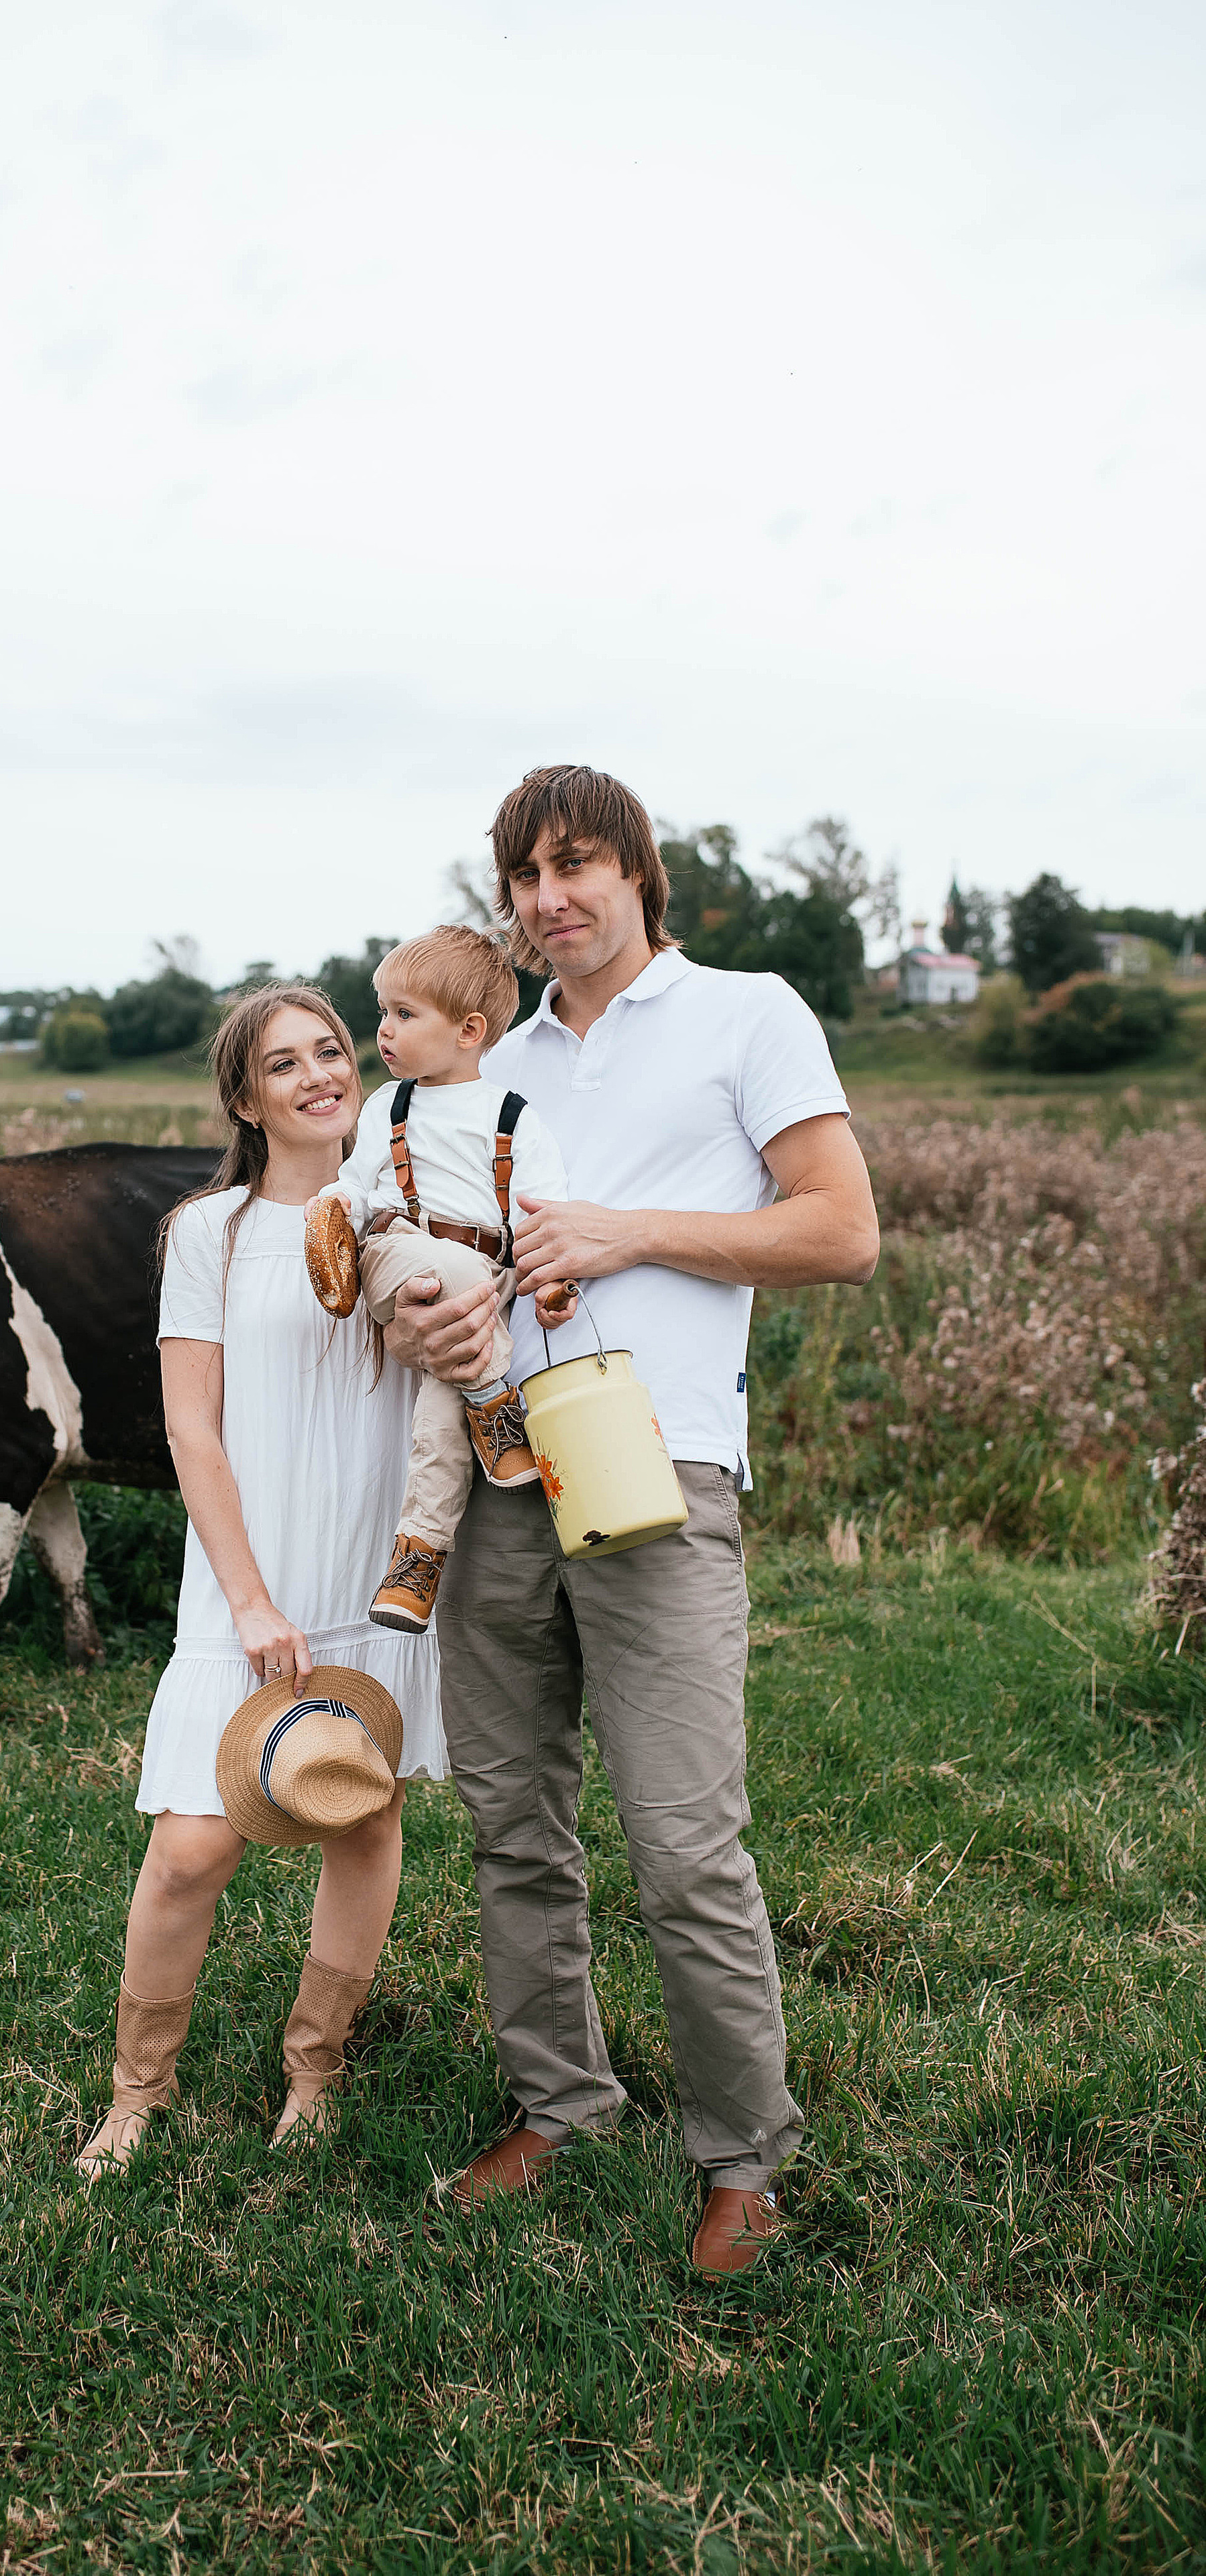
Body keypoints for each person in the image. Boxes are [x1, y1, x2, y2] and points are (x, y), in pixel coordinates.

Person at [382, 765, 880, 2273]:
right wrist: (435, 1320)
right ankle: (558, 2104)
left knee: (679, 1840)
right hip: (496, 1469)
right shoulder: (494, 1057)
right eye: (524, 878)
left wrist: (622, 1231)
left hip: (654, 1473)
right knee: (509, 1818)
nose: (549, 900)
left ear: (635, 871)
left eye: (575, 865)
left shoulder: (745, 1014)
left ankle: (741, 2158)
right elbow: (443, 1237)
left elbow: (840, 1232)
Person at [74, 983, 449, 2178]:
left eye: (331, 1052)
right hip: (253, 1573)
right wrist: (246, 1599)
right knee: (193, 1844)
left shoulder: (413, 1205)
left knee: (362, 1812)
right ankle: (139, 2093)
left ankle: (315, 2071)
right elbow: (194, 1429)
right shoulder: (212, 1233)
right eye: (283, 1065)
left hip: (377, 1566)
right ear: (246, 1098)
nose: (316, 1076)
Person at [303, 924, 575, 1635]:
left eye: (403, 1014)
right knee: (459, 1283)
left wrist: (549, 1283)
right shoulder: (386, 1110)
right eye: (384, 1012)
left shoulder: (514, 1118)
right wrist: (334, 1208)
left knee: (438, 1401)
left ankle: (416, 1557)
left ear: (469, 1030)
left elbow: (539, 1215)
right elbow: (357, 1189)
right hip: (398, 1251)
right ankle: (495, 1399)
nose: (383, 1031)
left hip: (487, 1277)